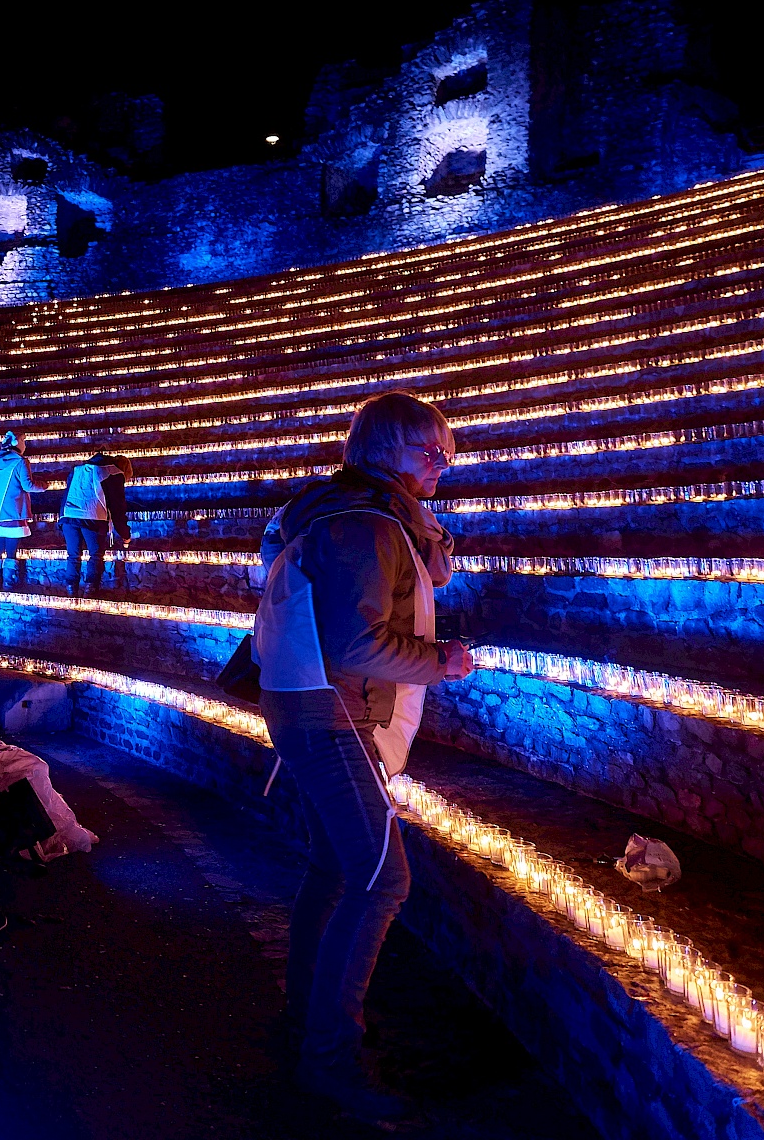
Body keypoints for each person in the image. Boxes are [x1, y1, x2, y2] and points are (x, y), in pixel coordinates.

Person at [254, 391, 473, 1128]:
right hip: (334, 713)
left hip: (315, 708)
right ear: (382, 452)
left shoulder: (352, 513)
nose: (442, 461)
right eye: (426, 449)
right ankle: (329, 1060)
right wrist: (442, 660)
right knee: (382, 880)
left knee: (334, 867)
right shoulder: (366, 524)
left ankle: (307, 1019)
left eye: (446, 447)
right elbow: (355, 644)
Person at [59, 452, 132, 596]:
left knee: (73, 554)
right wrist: (125, 534)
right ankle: (91, 589)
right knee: (96, 554)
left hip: (68, 514)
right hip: (92, 516)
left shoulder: (78, 469)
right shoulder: (113, 473)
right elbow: (118, 508)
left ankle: (71, 590)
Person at [0, 431, 47, 589]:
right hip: (11, 511)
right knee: (11, 551)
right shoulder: (20, 462)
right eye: (24, 441)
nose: (25, 445)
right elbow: (28, 485)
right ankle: (8, 582)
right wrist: (44, 485)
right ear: (17, 444)